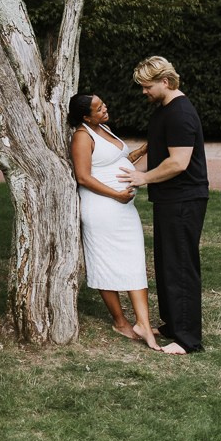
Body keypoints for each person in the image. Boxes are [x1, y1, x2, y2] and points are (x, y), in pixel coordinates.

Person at [117, 56, 209, 356]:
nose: (144, 92)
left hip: (184, 199)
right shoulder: (164, 109)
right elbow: (162, 144)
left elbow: (178, 162)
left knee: (181, 266)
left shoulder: (180, 113)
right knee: (168, 264)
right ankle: (172, 325)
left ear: (166, 82)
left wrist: (143, 178)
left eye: (147, 86)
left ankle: (188, 339)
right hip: (169, 199)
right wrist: (140, 151)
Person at [69, 93, 160, 350]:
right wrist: (117, 194)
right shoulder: (82, 136)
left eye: (103, 104)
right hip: (102, 208)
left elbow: (117, 161)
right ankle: (120, 322)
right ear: (86, 116)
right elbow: (84, 177)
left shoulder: (104, 129)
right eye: (98, 108)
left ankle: (143, 323)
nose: (104, 108)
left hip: (123, 208)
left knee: (134, 260)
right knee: (105, 262)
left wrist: (143, 150)